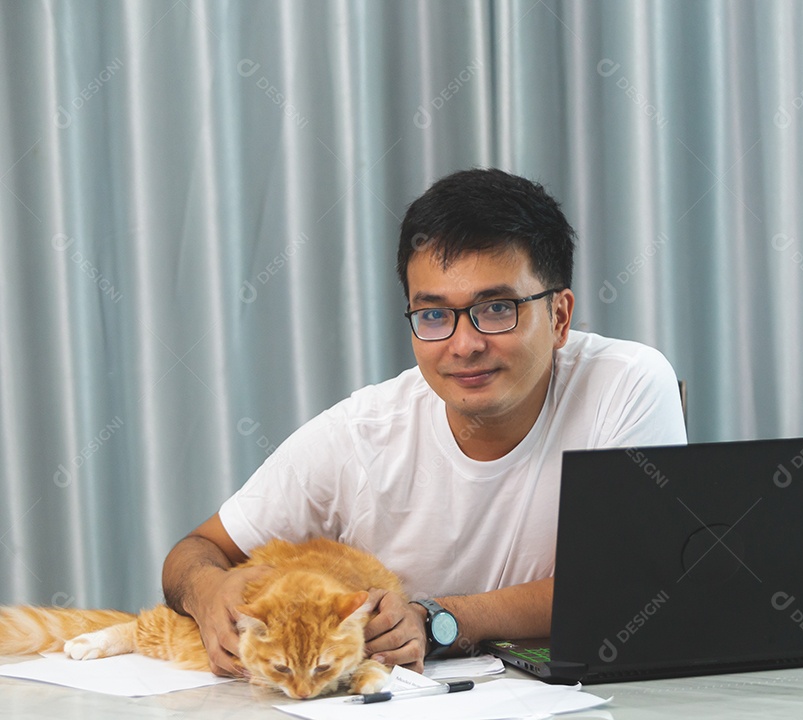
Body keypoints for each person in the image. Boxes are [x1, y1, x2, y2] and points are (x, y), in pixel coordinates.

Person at [161, 168, 687, 676]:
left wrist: (438, 620)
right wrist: (207, 593)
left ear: (559, 317)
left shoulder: (626, 384)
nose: (464, 345)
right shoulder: (360, 433)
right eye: (434, 315)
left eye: (497, 309)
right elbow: (195, 551)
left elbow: (632, 585)